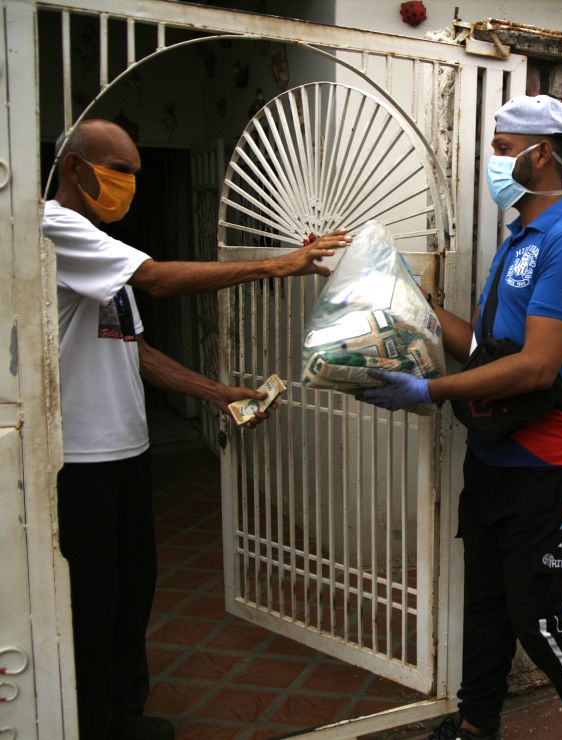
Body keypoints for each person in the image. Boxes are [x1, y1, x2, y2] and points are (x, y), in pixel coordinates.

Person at [43, 118, 349, 740]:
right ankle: (90, 723)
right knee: (92, 600)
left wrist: (213, 394)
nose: (127, 184)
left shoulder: (99, 246)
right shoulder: (56, 228)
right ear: (74, 168)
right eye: (116, 170)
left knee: (132, 589)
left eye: (134, 173)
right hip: (79, 457)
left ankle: (124, 714)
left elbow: (131, 348)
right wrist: (279, 266)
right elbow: (156, 279)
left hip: (126, 450)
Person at [356, 95, 562, 740]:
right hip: (494, 454)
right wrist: (408, 300)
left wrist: (430, 392)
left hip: (550, 458)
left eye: (503, 149)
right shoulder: (520, 239)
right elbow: (488, 349)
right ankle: (477, 724)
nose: (494, 162)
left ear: (540, 155)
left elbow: (537, 367)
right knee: (485, 602)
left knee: (533, 612)